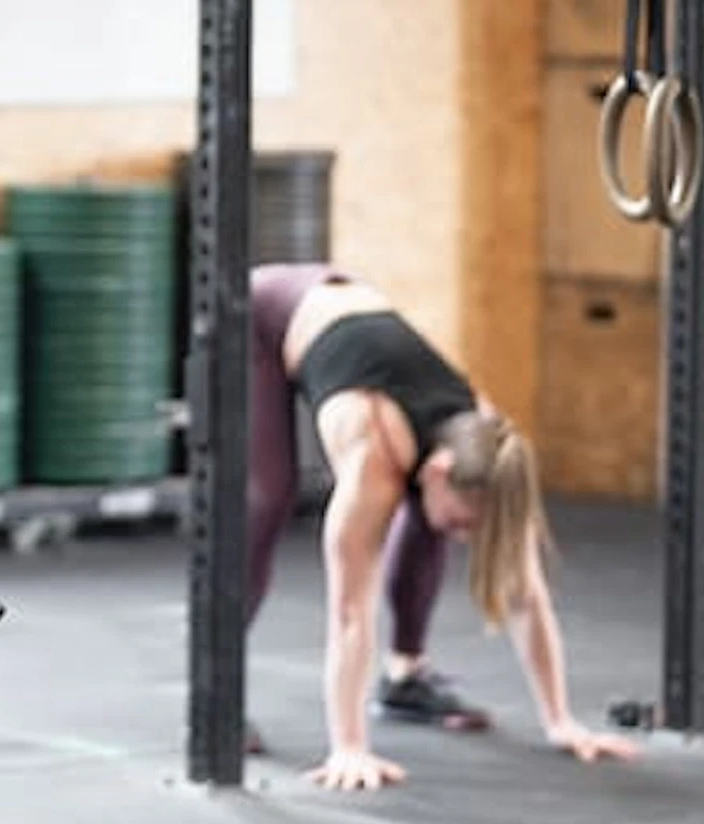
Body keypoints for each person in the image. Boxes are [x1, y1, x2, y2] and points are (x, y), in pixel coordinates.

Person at [243, 263, 638, 792]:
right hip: (263, 316)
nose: (466, 537)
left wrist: (561, 720)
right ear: (438, 470)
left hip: (350, 313)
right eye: (466, 522)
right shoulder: (370, 452)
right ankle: (216, 689)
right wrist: (350, 748)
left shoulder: (492, 452)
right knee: (267, 498)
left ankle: (405, 678)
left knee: (430, 516)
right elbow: (350, 614)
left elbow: (526, 596)